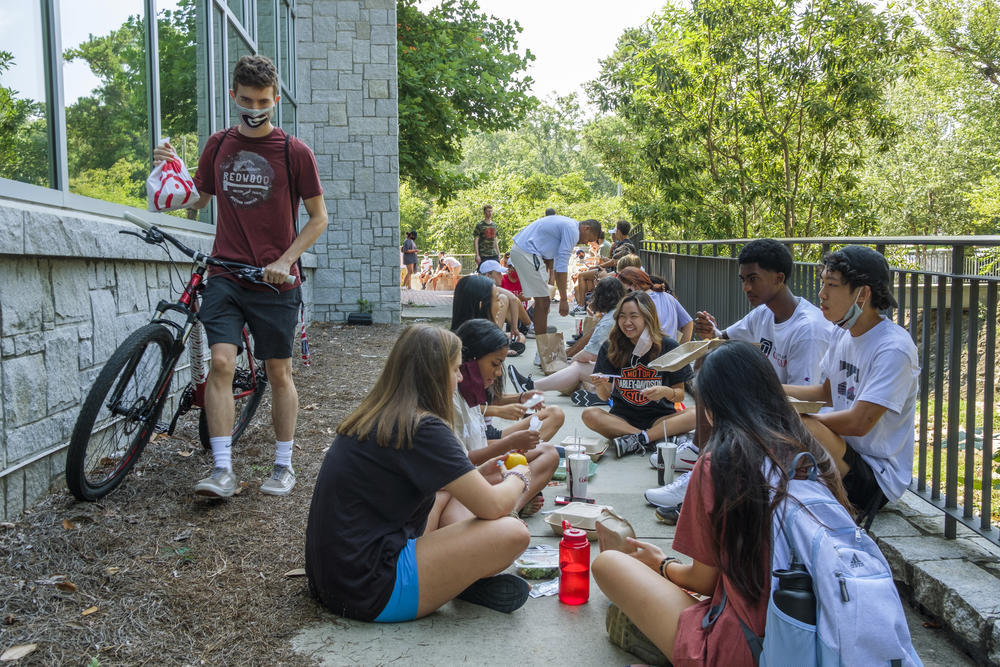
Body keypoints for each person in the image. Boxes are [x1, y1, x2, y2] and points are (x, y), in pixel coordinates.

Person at [593, 341, 850, 666]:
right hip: (828, 636)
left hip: (748, 646)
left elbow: (703, 581)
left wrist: (661, 563)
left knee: (609, 564)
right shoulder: (811, 455)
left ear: (712, 408)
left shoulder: (721, 463)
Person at [154, 54, 327, 498]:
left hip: (275, 281)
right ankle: (223, 470)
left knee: (279, 370)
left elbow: (318, 218)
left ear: (275, 100)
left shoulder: (294, 152)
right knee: (220, 363)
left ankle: (283, 465)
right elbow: (198, 200)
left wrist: (286, 260)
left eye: (264, 100)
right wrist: (169, 168)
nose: (255, 107)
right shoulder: (218, 145)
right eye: (247, 99)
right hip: (226, 273)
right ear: (234, 96)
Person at [305, 324, 532, 622]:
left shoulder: (378, 414)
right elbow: (495, 506)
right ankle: (457, 580)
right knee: (512, 532)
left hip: (332, 580)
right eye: (455, 369)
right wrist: (519, 478)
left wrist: (475, 474)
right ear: (434, 374)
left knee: (446, 492)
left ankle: (452, 578)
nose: (461, 377)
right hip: (372, 590)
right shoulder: (423, 427)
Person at [784, 245, 919, 523]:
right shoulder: (842, 334)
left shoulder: (893, 348)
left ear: (863, 293)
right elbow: (826, 394)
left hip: (873, 476)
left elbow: (860, 422)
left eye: (831, 285)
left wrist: (795, 418)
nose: (822, 294)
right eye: (823, 284)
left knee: (800, 422)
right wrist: (770, 390)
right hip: (840, 452)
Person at [451, 319, 560, 517]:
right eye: (495, 364)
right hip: (468, 481)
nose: (498, 372)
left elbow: (480, 431)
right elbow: (461, 465)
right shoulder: (450, 398)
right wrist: (506, 443)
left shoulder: (471, 388)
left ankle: (512, 509)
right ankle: (509, 509)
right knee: (515, 535)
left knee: (549, 452)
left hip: (484, 466)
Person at [694, 239, 831, 385]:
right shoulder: (763, 313)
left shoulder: (807, 331)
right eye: (743, 279)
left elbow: (804, 403)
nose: (746, 288)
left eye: (753, 279)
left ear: (779, 278)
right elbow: (724, 338)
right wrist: (711, 330)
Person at [582, 292, 696, 458]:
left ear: (647, 317)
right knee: (589, 414)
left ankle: (636, 440)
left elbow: (678, 396)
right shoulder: (610, 347)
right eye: (622, 316)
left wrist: (665, 392)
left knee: (698, 413)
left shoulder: (669, 346)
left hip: (661, 419)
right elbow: (605, 396)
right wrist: (600, 385)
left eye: (633, 316)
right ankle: (651, 439)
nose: (627, 322)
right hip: (622, 421)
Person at [507, 277, 626, 398]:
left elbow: (588, 355)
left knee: (578, 367)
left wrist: (572, 361)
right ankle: (593, 392)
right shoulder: (617, 314)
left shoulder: (608, 321)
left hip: (619, 379)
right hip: (622, 375)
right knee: (576, 370)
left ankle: (531, 387)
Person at [508, 215, 602, 337]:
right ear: (586, 228)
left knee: (543, 299)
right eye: (589, 239)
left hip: (526, 250)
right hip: (527, 252)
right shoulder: (572, 230)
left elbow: (556, 263)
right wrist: (563, 299)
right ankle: (541, 340)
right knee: (543, 301)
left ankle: (538, 330)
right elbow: (562, 266)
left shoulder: (569, 225)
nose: (586, 242)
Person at [455, 273, 526, 355]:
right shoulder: (481, 351)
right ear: (481, 305)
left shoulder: (462, 337)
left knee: (521, 336)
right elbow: (514, 299)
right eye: (497, 300)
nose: (502, 305)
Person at [618, 267, 694, 343]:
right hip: (671, 351)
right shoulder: (668, 297)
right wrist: (680, 350)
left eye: (623, 291)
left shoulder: (638, 303)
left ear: (635, 286)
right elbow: (688, 323)